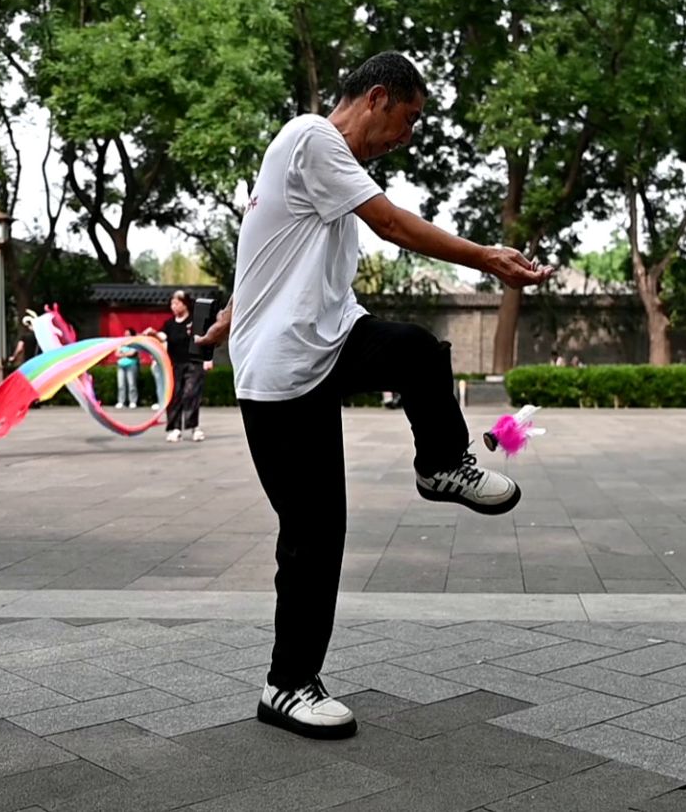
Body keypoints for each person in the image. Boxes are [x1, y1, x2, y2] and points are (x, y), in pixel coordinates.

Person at [196, 51, 551, 740]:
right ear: (379, 97)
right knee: (313, 534)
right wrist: (487, 257)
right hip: (280, 378)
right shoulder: (313, 138)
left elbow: (264, 250)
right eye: (409, 120)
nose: (407, 139)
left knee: (418, 351)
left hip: (323, 344)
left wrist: (232, 312)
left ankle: (441, 464)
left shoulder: (306, 157)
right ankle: (287, 685)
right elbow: (390, 224)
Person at [154, 291, 210, 442]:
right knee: (174, 396)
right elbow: (162, 337)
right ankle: (175, 428)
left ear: (185, 304)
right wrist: (154, 334)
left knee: (190, 394)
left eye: (177, 303)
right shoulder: (169, 324)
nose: (173, 306)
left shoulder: (194, 322)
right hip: (175, 364)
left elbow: (205, 340)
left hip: (194, 363)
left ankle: (194, 428)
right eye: (172, 303)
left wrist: (208, 359)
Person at [114, 327, 140, 409]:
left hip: (131, 365)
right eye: (125, 334)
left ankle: (133, 401)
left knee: (132, 384)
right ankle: (121, 401)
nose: (126, 336)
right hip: (121, 365)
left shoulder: (135, 343)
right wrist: (125, 353)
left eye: (128, 334)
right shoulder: (121, 343)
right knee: (121, 385)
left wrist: (123, 353)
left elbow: (132, 353)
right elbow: (117, 353)